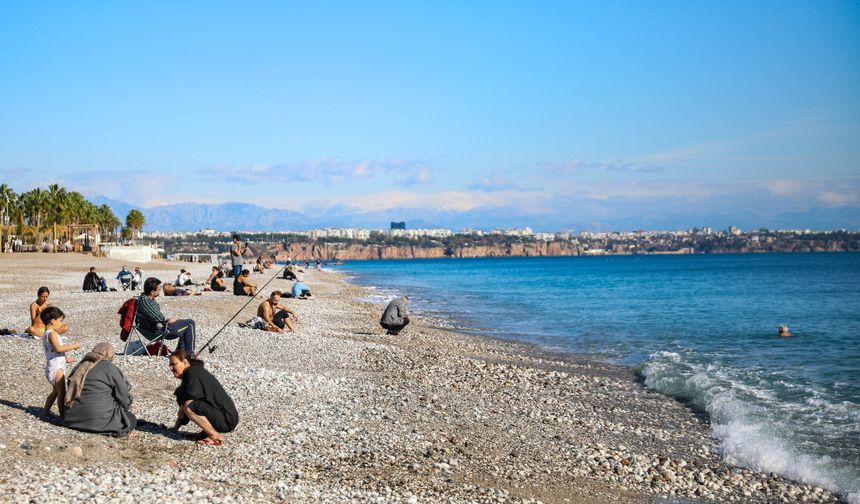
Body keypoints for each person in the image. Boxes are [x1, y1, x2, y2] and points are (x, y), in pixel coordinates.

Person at [63, 343, 138, 437]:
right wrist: (126, 406)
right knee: (131, 419)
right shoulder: (109, 368)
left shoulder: (79, 366)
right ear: (110, 355)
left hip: (71, 420)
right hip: (100, 422)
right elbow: (123, 397)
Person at [167, 350, 239, 446]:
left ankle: (215, 436)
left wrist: (182, 409)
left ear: (184, 362)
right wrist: (175, 428)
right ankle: (208, 432)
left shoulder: (193, 373)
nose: (171, 368)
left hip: (227, 420)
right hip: (227, 418)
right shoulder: (194, 372)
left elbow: (189, 403)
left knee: (189, 405)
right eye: (170, 365)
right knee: (183, 396)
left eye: (174, 364)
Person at [41, 306, 81, 417]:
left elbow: (54, 350)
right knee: (61, 393)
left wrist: (65, 357)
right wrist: (73, 346)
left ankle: (45, 412)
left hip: (53, 365)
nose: (61, 324)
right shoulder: (52, 334)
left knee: (55, 392)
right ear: (53, 321)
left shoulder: (46, 333)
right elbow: (58, 348)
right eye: (60, 321)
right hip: (56, 368)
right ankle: (63, 416)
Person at [136, 278, 196, 352]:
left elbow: (156, 317)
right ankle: (189, 353)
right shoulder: (146, 301)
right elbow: (158, 318)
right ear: (152, 292)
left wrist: (167, 320)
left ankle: (180, 352)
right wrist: (167, 320)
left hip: (154, 328)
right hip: (158, 331)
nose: (160, 290)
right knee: (190, 323)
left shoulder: (145, 298)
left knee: (184, 324)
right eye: (158, 289)